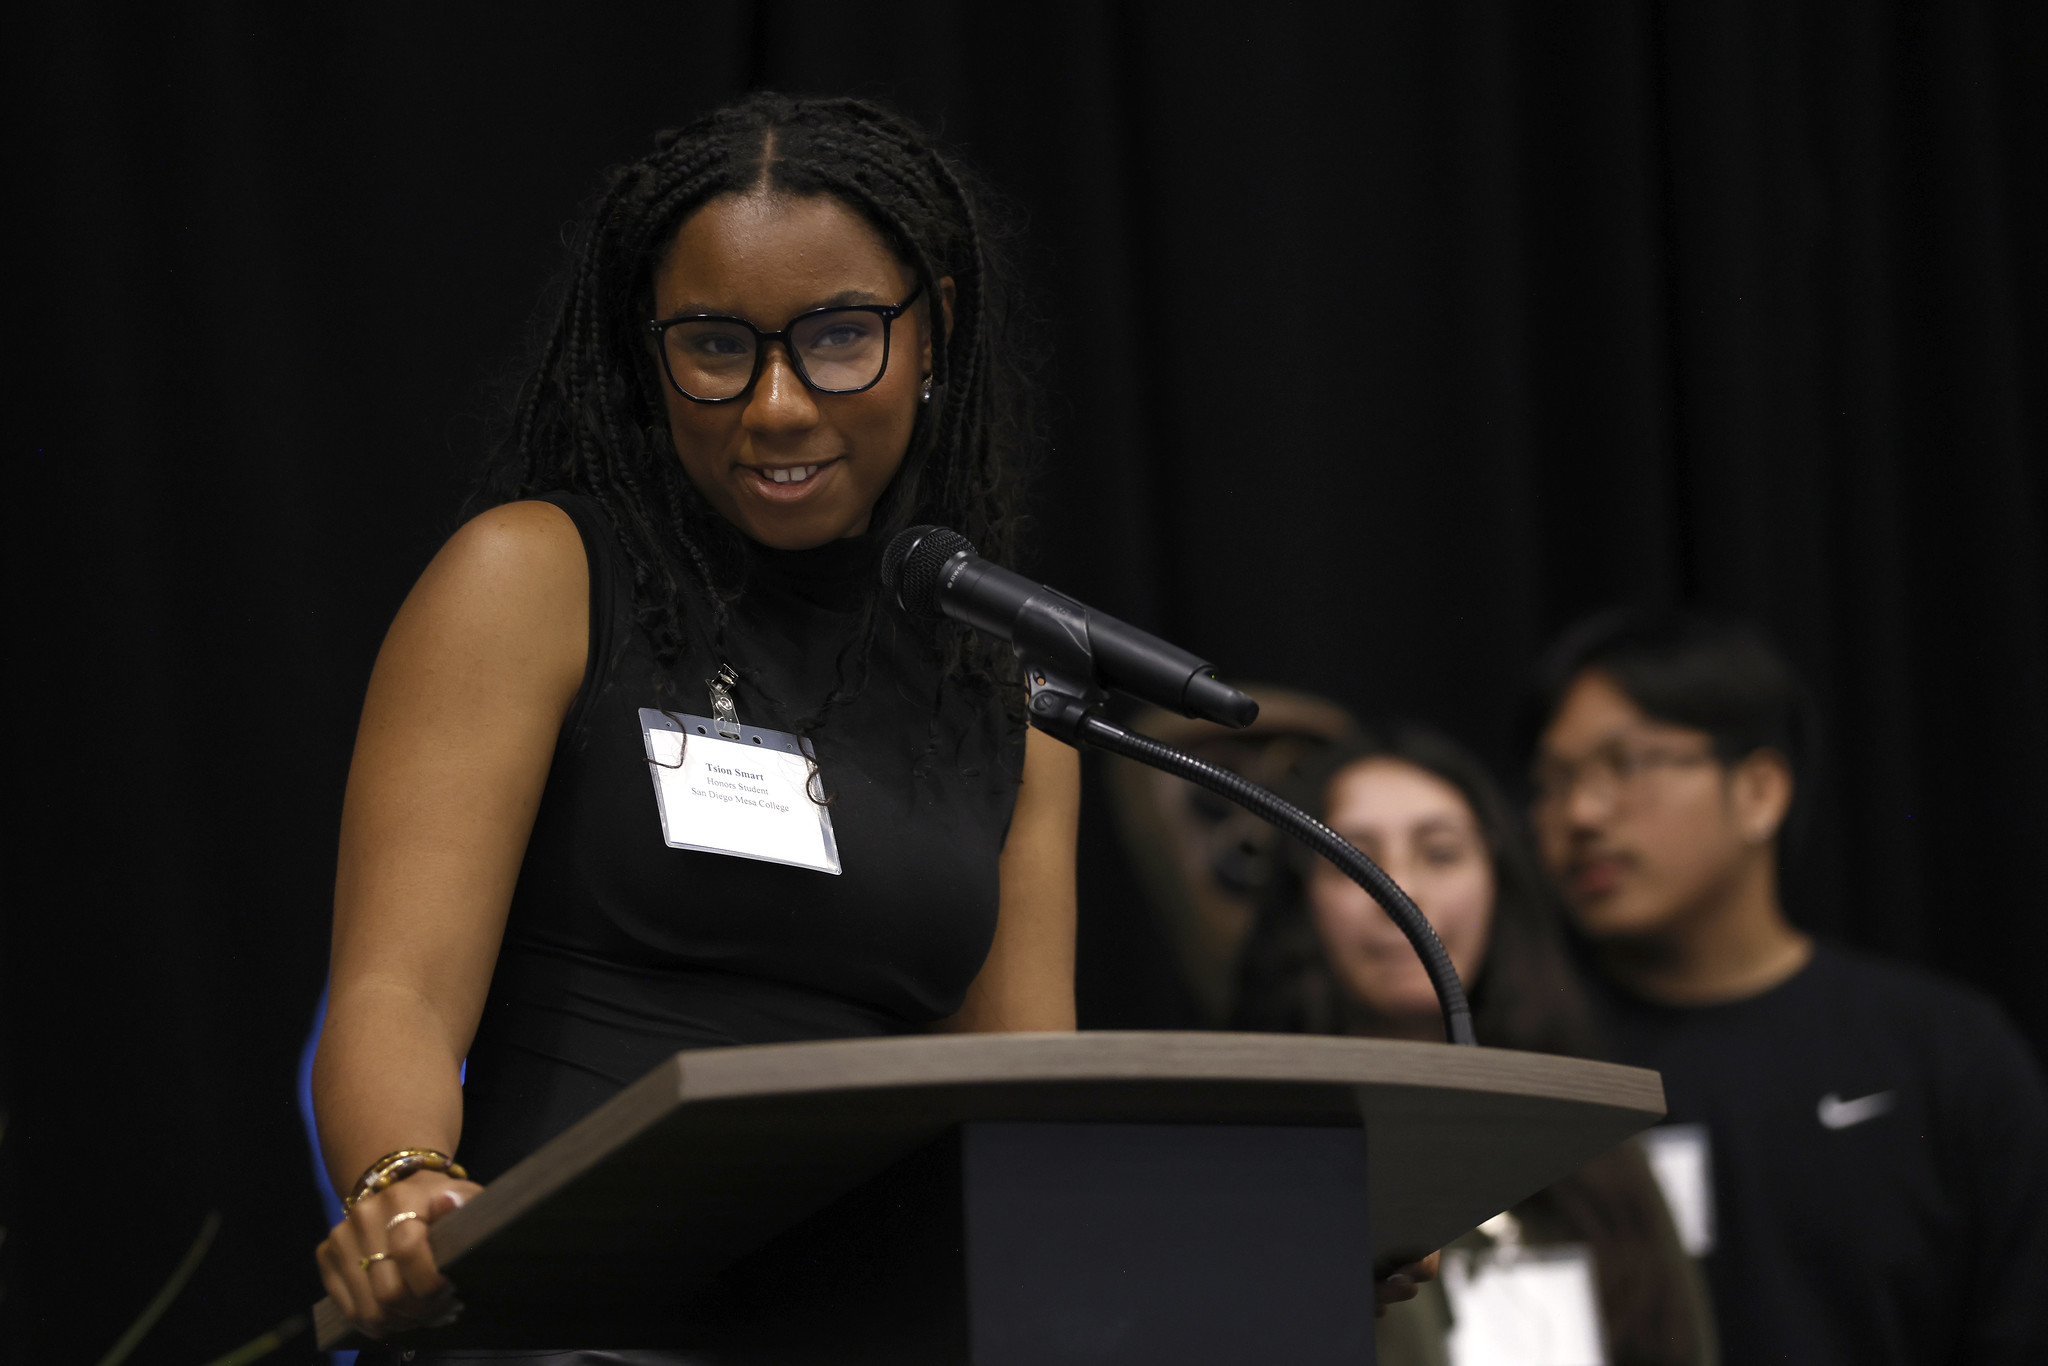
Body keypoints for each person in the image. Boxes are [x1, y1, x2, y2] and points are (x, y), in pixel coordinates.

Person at [309, 94, 1086, 1350]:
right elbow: (394, 988)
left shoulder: (1005, 685)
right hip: (578, 1321)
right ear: (645, 346)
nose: (774, 405)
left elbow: (1024, 1102)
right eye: (716, 345)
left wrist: (1298, 1225)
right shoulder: (536, 577)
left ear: (932, 330)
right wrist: (401, 1180)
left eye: (840, 338)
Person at [1527, 609, 2048, 1364]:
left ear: (1760, 792)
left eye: (1626, 764)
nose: (1580, 813)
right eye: (1552, 782)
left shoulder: (1943, 1050)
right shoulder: (1534, 1060)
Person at [1236, 723, 1714, 1366]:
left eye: (1439, 853)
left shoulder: (1594, 1134)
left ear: (1498, 881)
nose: (1400, 891)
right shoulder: (1253, 1155)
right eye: (1357, 860)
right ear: (1305, 901)